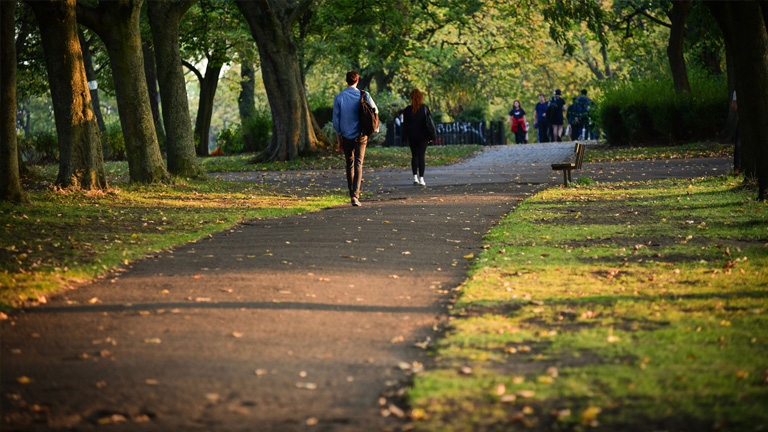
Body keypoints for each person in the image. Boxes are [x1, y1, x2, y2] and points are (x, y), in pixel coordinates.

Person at [332, 70, 378, 206]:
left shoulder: (339, 97)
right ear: (357, 81)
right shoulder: (364, 95)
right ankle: (355, 195)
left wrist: (339, 140)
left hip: (346, 136)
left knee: (349, 164)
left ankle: (350, 192)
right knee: (358, 163)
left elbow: (336, 122)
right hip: (361, 135)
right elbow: (375, 111)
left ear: (347, 81)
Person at [402, 88, 432, 186]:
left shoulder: (407, 110)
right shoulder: (425, 108)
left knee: (414, 156)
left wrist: (404, 138)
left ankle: (415, 177)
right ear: (421, 97)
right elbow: (429, 123)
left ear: (411, 98)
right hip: (423, 136)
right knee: (421, 156)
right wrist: (431, 136)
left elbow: (405, 125)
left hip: (412, 136)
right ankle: (422, 179)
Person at [732, 90, 741, 174]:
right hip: (742, 120)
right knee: (738, 144)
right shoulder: (737, 90)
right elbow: (733, 107)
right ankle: (737, 168)